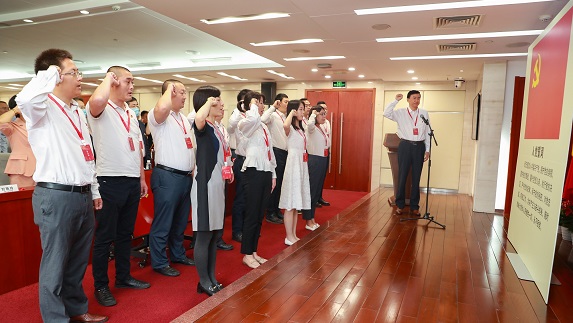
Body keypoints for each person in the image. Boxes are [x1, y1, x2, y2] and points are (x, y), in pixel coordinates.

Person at [16, 48, 107, 323]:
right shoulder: (41, 108)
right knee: (55, 264)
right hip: (55, 196)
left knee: (78, 262)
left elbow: (86, 155)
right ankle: (56, 319)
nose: (79, 78)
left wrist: (93, 190)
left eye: (78, 72)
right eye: (73, 72)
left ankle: (77, 309)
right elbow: (25, 97)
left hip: (81, 196)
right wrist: (49, 74)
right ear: (55, 76)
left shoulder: (77, 111)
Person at [87, 66, 150, 307]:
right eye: (128, 81)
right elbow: (98, 98)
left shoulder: (130, 112)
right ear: (113, 82)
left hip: (131, 181)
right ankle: (101, 285)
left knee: (125, 234)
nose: (132, 86)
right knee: (105, 237)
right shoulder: (100, 108)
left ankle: (123, 277)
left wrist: (141, 178)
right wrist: (107, 79)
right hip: (108, 180)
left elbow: (138, 147)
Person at [147, 79, 196, 277]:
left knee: (180, 221)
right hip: (167, 176)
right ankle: (159, 261)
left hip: (184, 178)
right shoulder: (158, 115)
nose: (185, 96)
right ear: (170, 92)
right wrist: (168, 90)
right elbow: (162, 106)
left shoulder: (182, 118)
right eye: (181, 92)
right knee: (164, 222)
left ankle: (177, 254)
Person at [191, 85, 233, 296]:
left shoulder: (217, 127)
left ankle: (211, 277)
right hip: (204, 186)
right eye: (217, 100)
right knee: (204, 235)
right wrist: (208, 102)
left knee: (215, 234)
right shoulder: (203, 126)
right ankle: (203, 280)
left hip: (218, 185)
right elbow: (198, 119)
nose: (222, 104)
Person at [237, 91, 276, 268]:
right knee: (252, 214)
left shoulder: (263, 126)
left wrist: (273, 174)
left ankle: (253, 251)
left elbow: (270, 152)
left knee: (260, 214)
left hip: (265, 170)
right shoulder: (245, 122)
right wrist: (252, 105)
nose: (262, 106)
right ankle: (246, 254)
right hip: (253, 171)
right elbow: (252, 119)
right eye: (259, 103)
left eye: (262, 103)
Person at [383, 91, 430, 216]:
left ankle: (414, 206)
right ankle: (400, 205)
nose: (416, 100)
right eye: (414, 98)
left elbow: (427, 133)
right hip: (405, 146)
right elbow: (386, 113)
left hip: (419, 146)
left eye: (419, 98)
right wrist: (395, 100)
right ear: (408, 99)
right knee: (402, 176)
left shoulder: (424, 113)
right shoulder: (401, 112)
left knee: (416, 177)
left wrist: (428, 150)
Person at [279, 100, 311, 245]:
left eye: (302, 109)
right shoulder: (289, 128)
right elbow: (285, 125)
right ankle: (288, 236)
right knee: (290, 203)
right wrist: (291, 113)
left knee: (297, 202)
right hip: (293, 164)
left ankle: (293, 234)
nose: (302, 111)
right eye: (299, 109)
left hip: (301, 163)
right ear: (293, 111)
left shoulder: (301, 128)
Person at [261, 93, 289, 224]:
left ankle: (277, 209)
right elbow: (262, 119)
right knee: (275, 184)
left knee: (281, 184)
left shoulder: (284, 116)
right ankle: (270, 212)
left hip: (285, 153)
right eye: (285, 102)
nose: (287, 104)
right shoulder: (272, 115)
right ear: (278, 102)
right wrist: (272, 107)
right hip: (276, 152)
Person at [227, 89, 250, 243]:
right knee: (241, 198)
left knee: (249, 198)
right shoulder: (236, 116)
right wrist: (239, 108)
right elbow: (230, 127)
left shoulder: (251, 117)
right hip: (240, 158)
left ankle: (247, 229)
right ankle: (237, 231)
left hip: (252, 160)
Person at [303, 105, 330, 230]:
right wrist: (313, 114)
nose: (324, 116)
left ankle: (312, 218)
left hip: (322, 159)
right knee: (312, 190)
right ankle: (308, 220)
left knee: (317, 189)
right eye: (321, 114)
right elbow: (309, 126)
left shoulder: (321, 127)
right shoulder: (311, 127)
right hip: (315, 160)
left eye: (325, 114)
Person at [0, 95, 36, 187]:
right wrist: (15, 109)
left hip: (44, 169)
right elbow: (1, 121)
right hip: (22, 170)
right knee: (23, 199)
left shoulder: (39, 124)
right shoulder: (12, 126)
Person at [315, 101, 331, 207]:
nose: (325, 111)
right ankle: (315, 198)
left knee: (322, 177)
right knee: (316, 178)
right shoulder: (314, 124)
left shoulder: (327, 122)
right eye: (322, 109)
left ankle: (319, 197)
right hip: (317, 153)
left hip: (326, 151)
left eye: (326, 109)